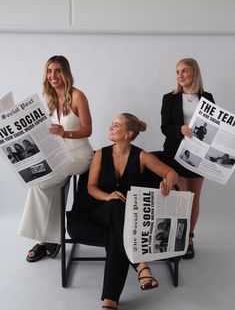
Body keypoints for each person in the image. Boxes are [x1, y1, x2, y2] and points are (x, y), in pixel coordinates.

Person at [87, 112, 178, 310]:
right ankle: (141, 265)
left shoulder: (142, 156)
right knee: (115, 203)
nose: (111, 127)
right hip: (100, 210)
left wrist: (167, 183)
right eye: (112, 123)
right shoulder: (100, 154)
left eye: (117, 125)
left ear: (128, 134)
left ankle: (109, 300)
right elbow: (91, 187)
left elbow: (172, 173)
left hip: (126, 219)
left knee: (115, 235)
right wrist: (108, 196)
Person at [18, 55, 94, 262]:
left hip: (79, 154)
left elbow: (88, 130)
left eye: (58, 71)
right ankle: (49, 239)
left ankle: (47, 240)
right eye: (50, 71)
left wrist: (65, 134)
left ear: (66, 72)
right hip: (57, 153)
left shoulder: (78, 96)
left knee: (42, 182)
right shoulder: (49, 99)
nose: (53, 75)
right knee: (38, 182)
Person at [160, 57, 215, 259]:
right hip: (176, 154)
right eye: (177, 72)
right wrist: (179, 130)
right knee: (182, 197)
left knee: (194, 197)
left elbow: (213, 127)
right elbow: (164, 127)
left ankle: (189, 238)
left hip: (200, 154)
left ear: (194, 73)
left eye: (185, 71)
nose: (180, 75)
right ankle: (179, 237)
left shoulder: (207, 97)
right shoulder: (169, 98)